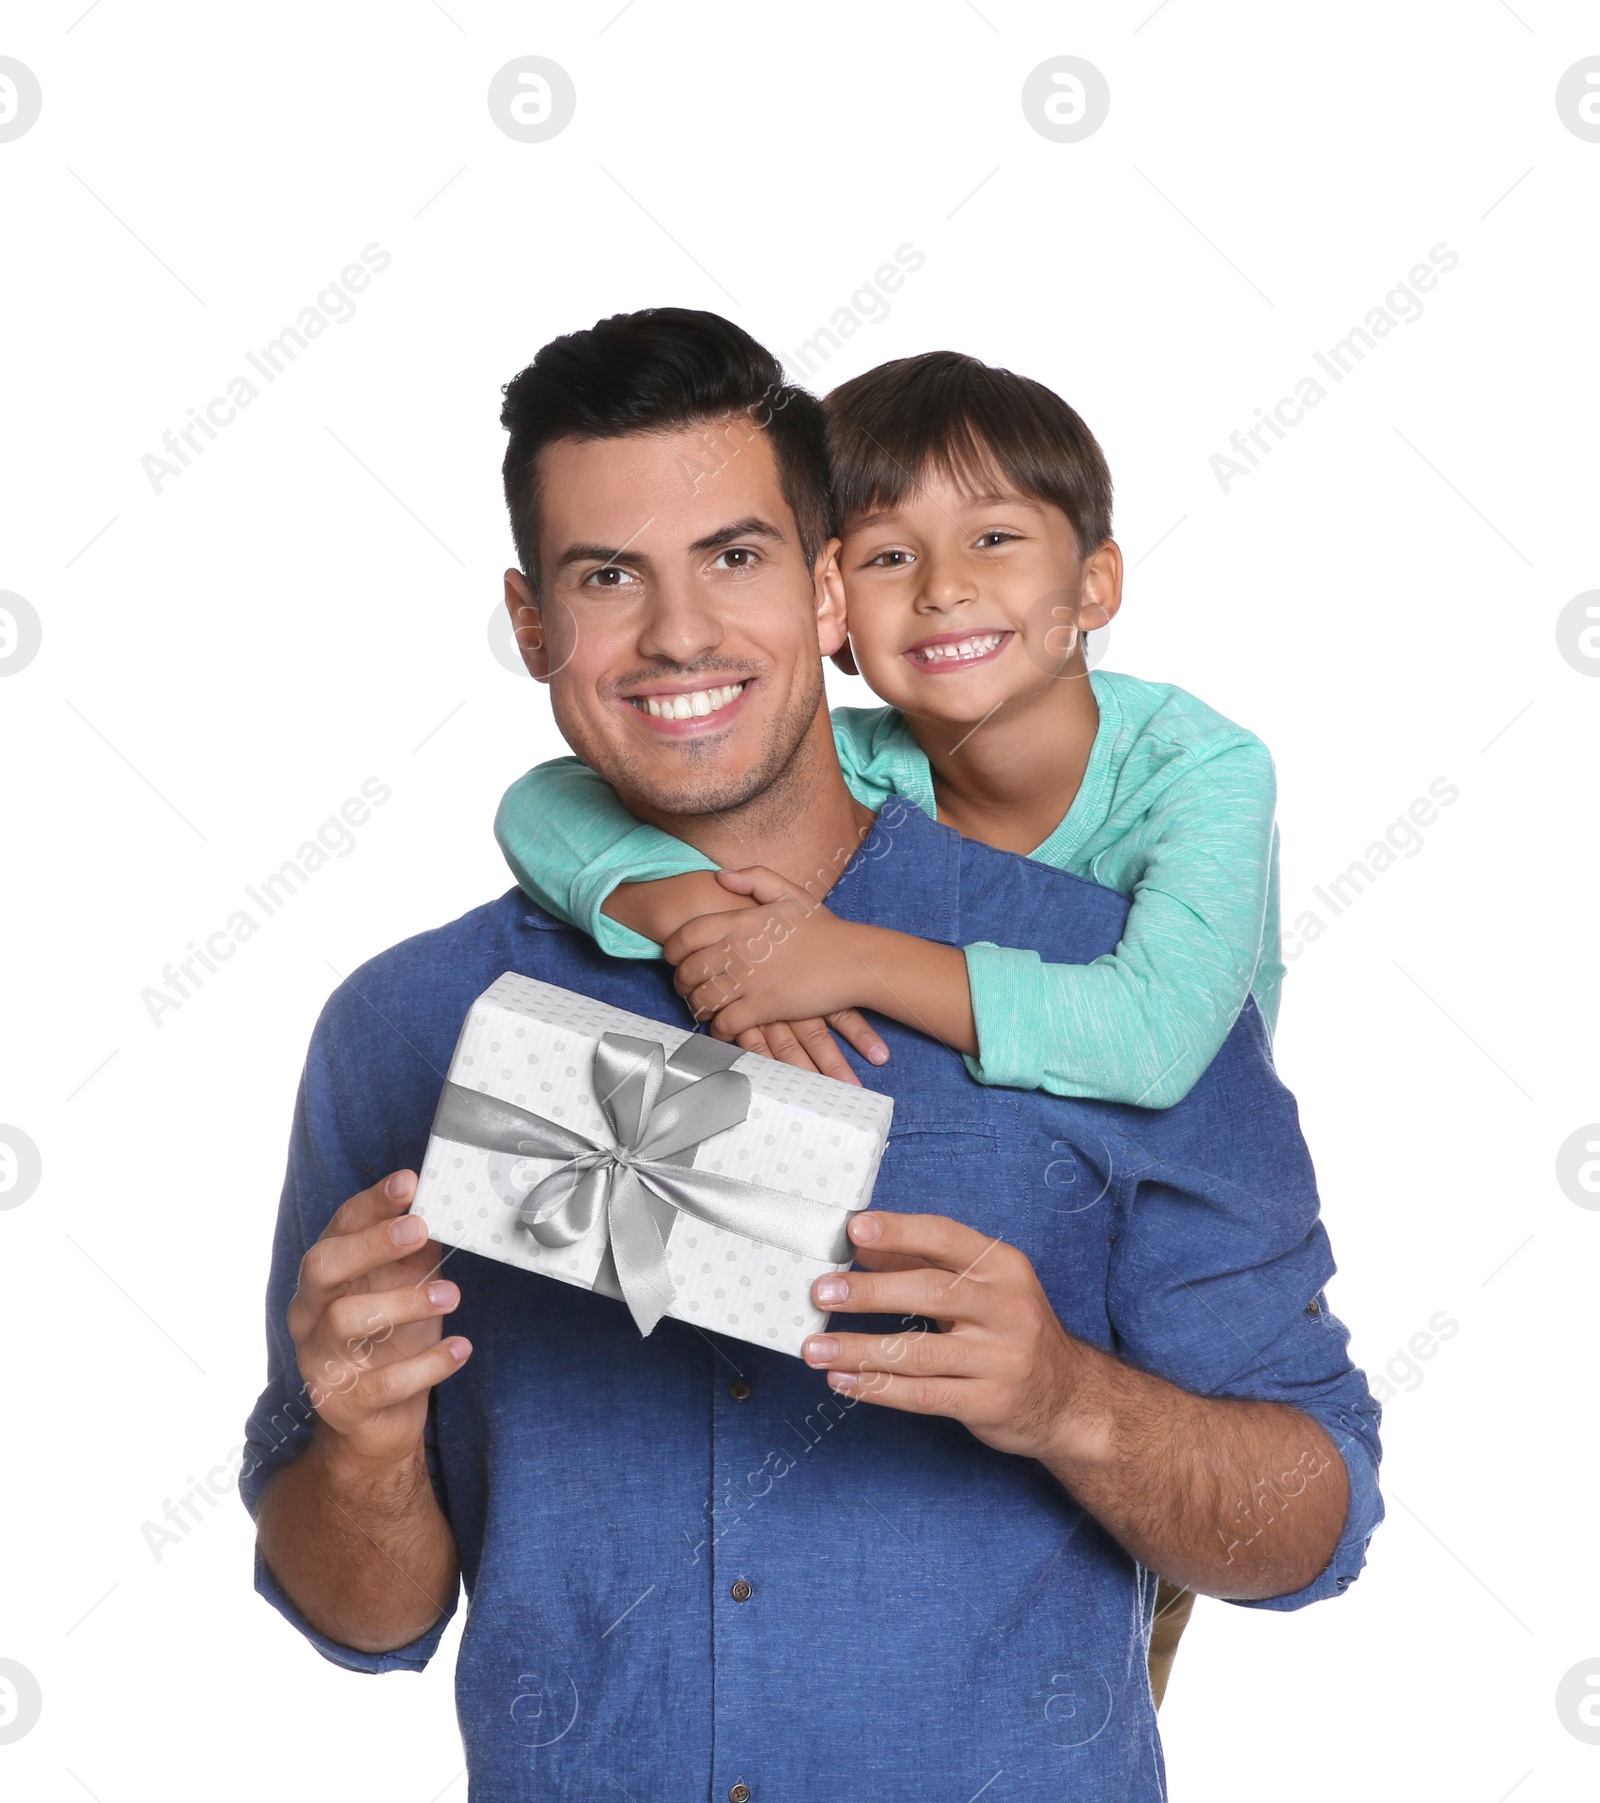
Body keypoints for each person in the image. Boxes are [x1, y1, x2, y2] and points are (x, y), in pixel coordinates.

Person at [241, 308, 1382, 1801]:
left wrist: (1065, 1402)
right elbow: (362, 1613)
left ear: (826, 585)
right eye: (606, 577)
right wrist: (367, 1447)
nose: (680, 635)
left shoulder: (1114, 976)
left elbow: (1314, 1526)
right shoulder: (409, 1025)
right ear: (532, 626)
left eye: (734, 556)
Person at [493, 349, 1289, 1691]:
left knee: (1089, 1600)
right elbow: (545, 800)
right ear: (829, 608)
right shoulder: (858, 759)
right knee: (560, 1152)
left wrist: (838, 954)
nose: (945, 589)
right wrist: (687, 909)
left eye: (993, 540)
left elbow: (1157, 1041)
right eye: (886, 557)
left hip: (1141, 1219)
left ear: (1094, 581)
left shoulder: (1199, 770)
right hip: (898, 1221)